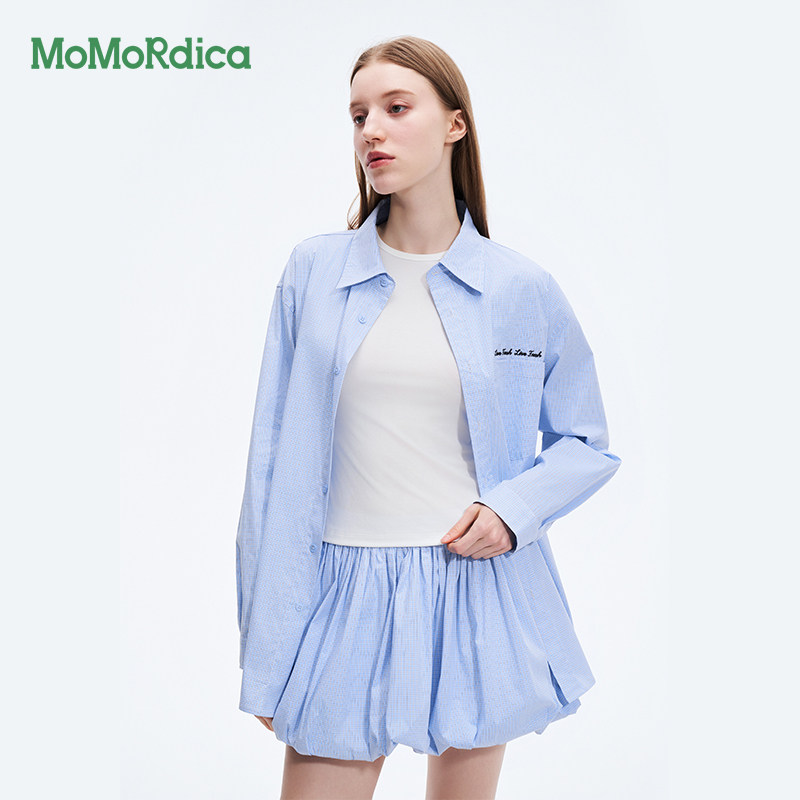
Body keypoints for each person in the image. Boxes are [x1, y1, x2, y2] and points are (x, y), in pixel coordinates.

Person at [235, 35, 622, 800]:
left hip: (474, 586)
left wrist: (512, 511)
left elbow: (585, 440)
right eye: (358, 116)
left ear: (454, 124)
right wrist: (267, 644)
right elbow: (270, 461)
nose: (371, 131)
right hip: (339, 591)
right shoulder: (314, 271)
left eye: (396, 107)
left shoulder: (518, 287)